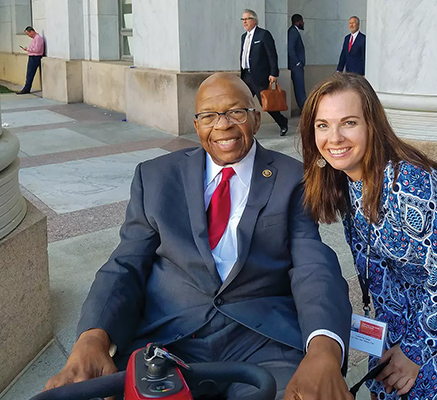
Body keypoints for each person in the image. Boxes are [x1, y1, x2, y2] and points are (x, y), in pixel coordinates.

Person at [44, 73, 353, 400]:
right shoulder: (156, 177)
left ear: (256, 118)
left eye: (236, 112)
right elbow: (126, 263)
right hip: (169, 339)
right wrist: (93, 338)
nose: (222, 125)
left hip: (262, 342)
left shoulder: (293, 179)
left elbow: (313, 267)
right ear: (196, 124)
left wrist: (324, 349)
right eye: (209, 116)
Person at [299, 73, 437, 400]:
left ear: (371, 126)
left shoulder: (409, 186)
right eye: (322, 125)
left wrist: (415, 352)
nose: (334, 137)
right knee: (382, 379)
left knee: (414, 386)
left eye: (348, 122)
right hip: (405, 279)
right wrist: (390, 338)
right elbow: (375, 264)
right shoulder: (344, 177)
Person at [240, 9, 289, 136]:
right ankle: (245, 128)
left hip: (260, 76)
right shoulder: (244, 37)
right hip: (246, 76)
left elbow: (272, 55)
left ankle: (282, 122)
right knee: (242, 103)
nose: (244, 22)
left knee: (267, 104)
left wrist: (274, 73)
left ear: (254, 20)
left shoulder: (263, 35)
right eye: (243, 19)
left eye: (247, 19)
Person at [17, 26, 44, 95]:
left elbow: (37, 49)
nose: (28, 36)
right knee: (29, 73)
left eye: (28, 34)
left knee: (30, 73)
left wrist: (28, 49)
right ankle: (27, 88)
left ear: (31, 31)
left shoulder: (38, 38)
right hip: (33, 56)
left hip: (35, 57)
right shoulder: (35, 38)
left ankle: (26, 89)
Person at [288, 14, 307, 111]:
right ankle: (304, 109)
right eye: (302, 21)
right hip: (296, 66)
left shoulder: (294, 31)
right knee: (300, 89)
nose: (303, 23)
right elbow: (290, 49)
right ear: (297, 22)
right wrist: (298, 62)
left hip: (296, 65)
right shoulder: (293, 32)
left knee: (300, 88)